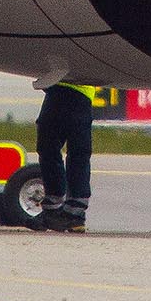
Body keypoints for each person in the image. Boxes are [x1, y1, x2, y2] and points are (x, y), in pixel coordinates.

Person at [32, 74, 97, 231]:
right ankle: (74, 213)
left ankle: (57, 209)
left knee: (51, 147)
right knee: (76, 152)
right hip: (75, 91)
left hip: (68, 88)